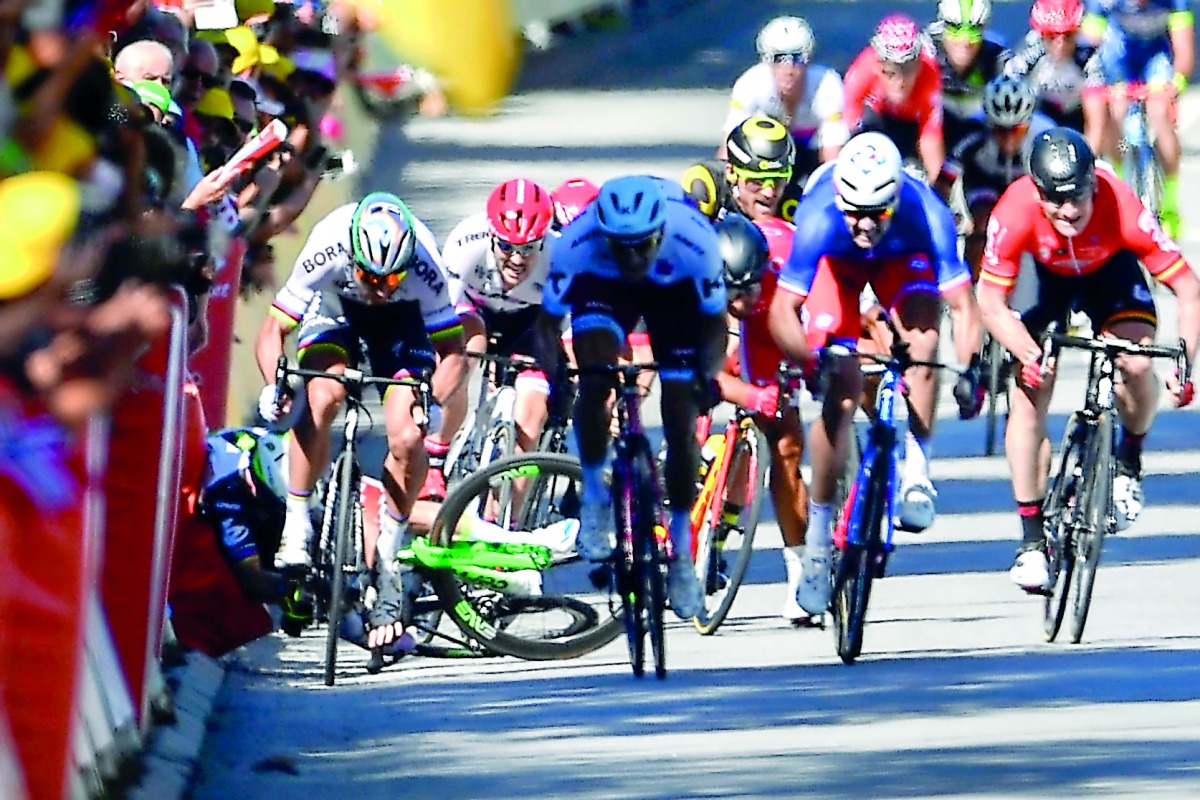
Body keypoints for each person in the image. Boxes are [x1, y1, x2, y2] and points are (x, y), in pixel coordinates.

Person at [975, 127, 1199, 592]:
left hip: (1109, 277)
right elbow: (991, 302)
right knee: (1030, 390)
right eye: (1057, 201)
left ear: (1093, 183)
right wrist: (1026, 352)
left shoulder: (1121, 204)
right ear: (1037, 193)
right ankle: (1032, 541)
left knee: (1135, 362)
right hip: (1044, 278)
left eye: (1079, 196)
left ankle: (1128, 462)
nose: (1071, 210)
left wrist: (1185, 360)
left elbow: (1188, 287)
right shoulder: (1014, 210)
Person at [767, 132, 983, 614]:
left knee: (925, 339)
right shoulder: (820, 216)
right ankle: (819, 544)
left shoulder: (926, 212)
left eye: (875, 213)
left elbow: (964, 309)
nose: (863, 223)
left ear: (895, 199)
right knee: (839, 392)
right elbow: (784, 311)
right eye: (855, 212)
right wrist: (811, 360)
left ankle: (917, 469)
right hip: (835, 270)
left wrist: (968, 368)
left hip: (898, 262)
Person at [254, 191, 467, 650]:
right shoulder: (327, 244)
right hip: (334, 315)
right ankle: (298, 520)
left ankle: (388, 562)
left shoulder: (426, 269)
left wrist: (433, 402)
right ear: (352, 255)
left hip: (401, 328)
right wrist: (275, 383)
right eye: (371, 276)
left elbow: (453, 353)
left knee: (407, 435)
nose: (381, 287)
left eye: (393, 276)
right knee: (321, 395)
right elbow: (274, 329)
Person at [538, 175, 728, 620]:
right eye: (621, 246)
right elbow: (547, 326)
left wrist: (707, 374)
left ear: (660, 231)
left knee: (681, 419)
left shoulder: (695, 238)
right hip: (604, 292)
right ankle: (595, 500)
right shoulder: (578, 242)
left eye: (642, 245)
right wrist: (556, 380)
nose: (633, 256)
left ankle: (680, 555)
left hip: (674, 294)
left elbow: (715, 325)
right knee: (595, 376)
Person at [712, 213, 815, 624]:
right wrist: (750, 393)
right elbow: (708, 372)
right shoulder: (703, 290)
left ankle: (801, 573)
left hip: (773, 324)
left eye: (748, 289)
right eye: (732, 293)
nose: (741, 301)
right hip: (725, 338)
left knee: (786, 445)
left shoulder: (780, 277)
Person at [436, 177, 558, 500]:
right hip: (476, 311)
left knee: (531, 418)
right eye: (506, 247)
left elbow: (570, 332)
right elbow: (440, 319)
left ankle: (507, 523)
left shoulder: (559, 259)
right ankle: (437, 451)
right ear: (491, 236)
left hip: (531, 324)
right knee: (464, 350)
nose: (517, 260)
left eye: (529, 248)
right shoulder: (466, 243)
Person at [1082, 0, 1194, 237]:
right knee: (1115, 112)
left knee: (1159, 112)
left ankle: (1169, 206)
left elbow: (1184, 50)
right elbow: (1089, 47)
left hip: (1156, 57)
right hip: (1118, 58)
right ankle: (1122, 189)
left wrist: (1176, 84)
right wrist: (1098, 87)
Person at [719, 16, 847, 188]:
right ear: (766, 60)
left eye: (797, 58)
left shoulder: (827, 84)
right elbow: (729, 148)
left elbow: (833, 160)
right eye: (778, 58)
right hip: (768, 151)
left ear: (808, 59)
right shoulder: (750, 84)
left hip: (812, 151)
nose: (788, 69)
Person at [950, 74, 1054, 279]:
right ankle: (972, 286)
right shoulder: (972, 130)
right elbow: (945, 180)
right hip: (985, 179)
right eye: (1000, 131)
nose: (1008, 139)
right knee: (983, 221)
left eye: (1017, 130)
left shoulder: (1046, 135)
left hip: (1028, 184)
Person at [843, 14, 949, 189]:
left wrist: (933, 188)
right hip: (874, 119)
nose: (900, 82)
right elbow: (847, 121)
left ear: (918, 63)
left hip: (909, 125)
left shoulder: (930, 72)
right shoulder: (865, 66)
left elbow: (930, 135)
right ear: (879, 65)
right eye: (891, 72)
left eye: (907, 70)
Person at [1004, 0, 1105, 137]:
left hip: (1077, 121)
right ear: (1041, 35)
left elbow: (1096, 123)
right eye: (1052, 36)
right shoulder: (1032, 50)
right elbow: (1007, 89)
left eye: (1068, 36)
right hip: (1039, 117)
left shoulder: (1089, 57)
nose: (1060, 44)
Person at [926, 0, 1012, 150]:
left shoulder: (997, 58)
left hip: (978, 141)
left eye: (974, 29)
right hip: (929, 135)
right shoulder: (926, 52)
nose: (965, 40)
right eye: (955, 27)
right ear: (943, 26)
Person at [684, 115, 798, 222]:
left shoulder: (796, 205)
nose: (769, 192)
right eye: (757, 181)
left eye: (778, 180)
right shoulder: (706, 186)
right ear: (731, 172)